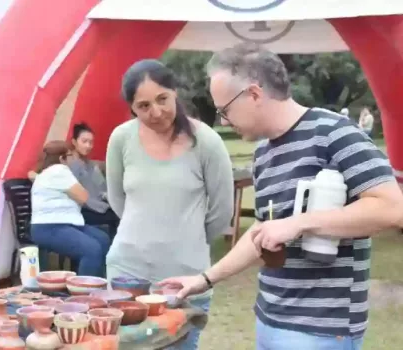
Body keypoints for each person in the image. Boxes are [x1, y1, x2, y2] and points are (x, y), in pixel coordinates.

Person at [159, 43, 403, 350]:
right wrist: (204, 279)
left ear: (254, 94)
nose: (223, 121)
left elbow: (393, 208)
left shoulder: (335, 133)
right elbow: (262, 235)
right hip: (269, 318)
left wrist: (301, 223)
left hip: (321, 330)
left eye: (225, 110)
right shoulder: (263, 154)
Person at [106, 59, 234, 349]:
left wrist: (185, 239)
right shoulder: (121, 139)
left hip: (185, 279)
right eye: (143, 106)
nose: (156, 112)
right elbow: (117, 200)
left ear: (175, 91)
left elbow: (222, 211)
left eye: (162, 99)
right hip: (127, 273)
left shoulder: (207, 142)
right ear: (132, 108)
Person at [29, 140, 111, 277]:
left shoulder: (46, 172)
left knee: (102, 239)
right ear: (61, 158)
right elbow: (84, 197)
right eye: (70, 156)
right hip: (50, 227)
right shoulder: (59, 170)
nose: (72, 159)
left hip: (65, 224)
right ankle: (83, 291)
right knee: (91, 249)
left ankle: (98, 284)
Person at [69, 122, 120, 236]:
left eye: (91, 142)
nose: (88, 146)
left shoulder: (91, 165)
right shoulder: (71, 165)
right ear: (74, 142)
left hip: (100, 206)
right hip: (82, 210)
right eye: (84, 141)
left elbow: (102, 186)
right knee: (118, 217)